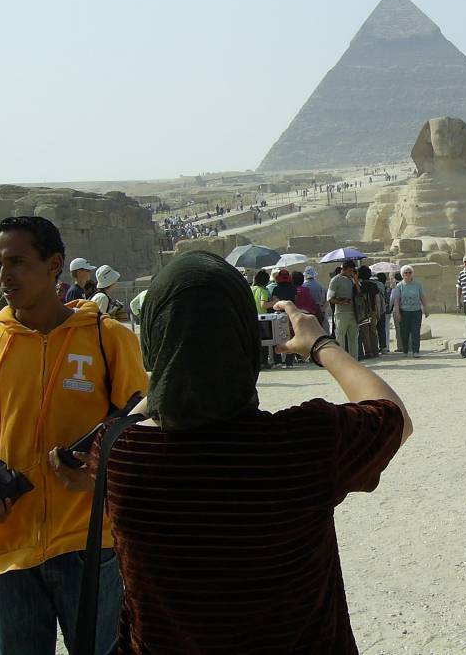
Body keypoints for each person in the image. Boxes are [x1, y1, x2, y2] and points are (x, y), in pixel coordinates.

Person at [92, 251, 411, 653]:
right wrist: (320, 343)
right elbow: (394, 415)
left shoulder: (117, 453)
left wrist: (175, 364)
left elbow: (135, 417)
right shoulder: (301, 442)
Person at [0, 216, 147, 655]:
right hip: (10, 548)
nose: (5, 275)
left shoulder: (107, 340)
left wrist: (96, 477)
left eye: (17, 262)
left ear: (54, 264)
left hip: (91, 543)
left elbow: (140, 437)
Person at [391, 265, 428, 357]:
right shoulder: (399, 286)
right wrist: (397, 313)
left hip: (416, 311)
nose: (407, 274)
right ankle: (405, 350)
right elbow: (396, 300)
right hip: (404, 312)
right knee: (404, 332)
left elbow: (422, 296)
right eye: (405, 273)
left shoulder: (418, 284)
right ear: (402, 274)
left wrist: (425, 308)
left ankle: (416, 351)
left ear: (412, 274)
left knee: (416, 331)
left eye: (409, 272)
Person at [327, 260, 360, 357]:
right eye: (350, 270)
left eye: (353, 270)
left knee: (354, 338)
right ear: (344, 269)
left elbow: (359, 293)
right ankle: (341, 360)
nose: (351, 272)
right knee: (340, 338)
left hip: (354, 313)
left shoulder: (352, 279)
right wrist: (342, 302)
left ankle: (354, 360)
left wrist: (356, 280)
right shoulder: (335, 280)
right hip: (341, 313)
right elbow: (329, 298)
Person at [356, 265, 381, 359]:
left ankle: (368, 352)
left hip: (362, 312)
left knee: (365, 332)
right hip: (372, 310)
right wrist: (378, 311)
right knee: (373, 331)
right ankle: (375, 351)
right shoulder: (374, 285)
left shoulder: (358, 285)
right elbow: (377, 300)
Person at [375, 272, 391, 352]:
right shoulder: (386, 288)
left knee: (377, 330)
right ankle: (385, 347)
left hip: (378, 310)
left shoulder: (377, 286)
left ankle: (379, 346)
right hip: (385, 310)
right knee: (384, 330)